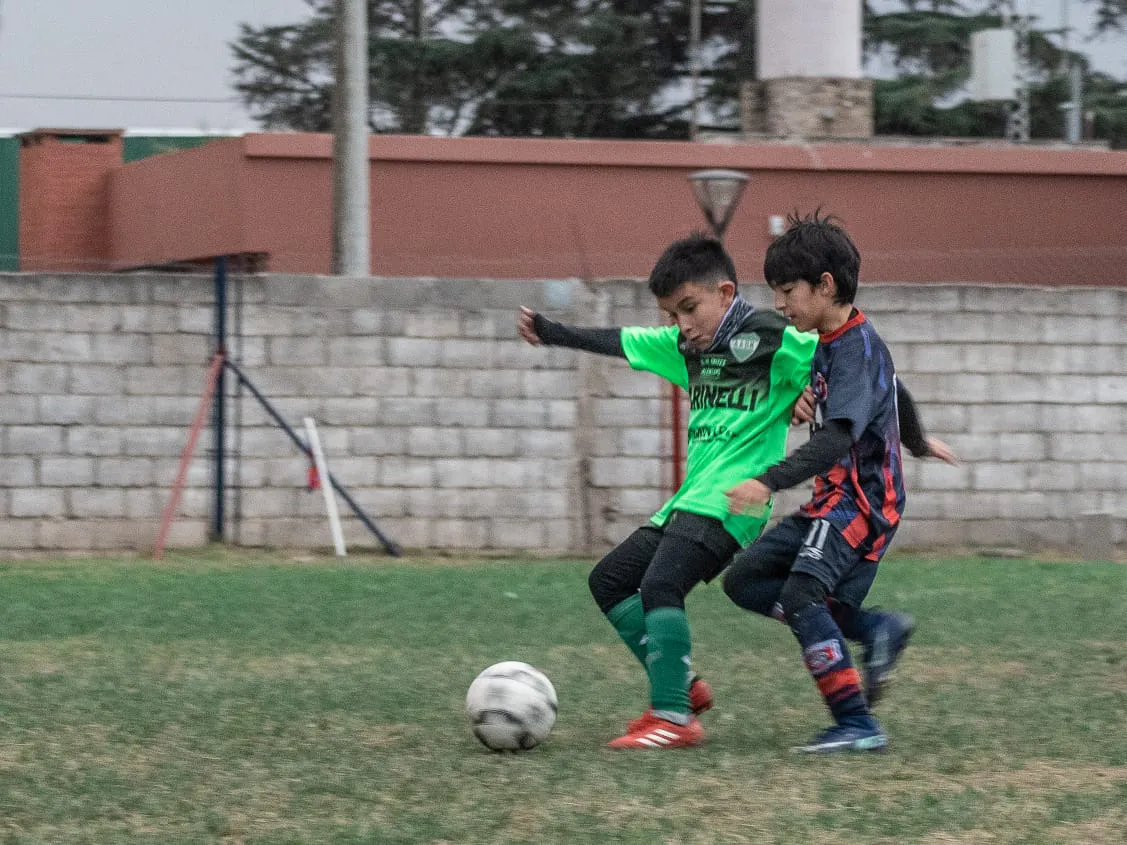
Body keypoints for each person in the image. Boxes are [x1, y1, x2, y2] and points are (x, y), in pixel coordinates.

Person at [519, 232, 817, 749]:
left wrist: (811, 392)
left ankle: (674, 719)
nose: (680, 325)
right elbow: (620, 340)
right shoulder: (687, 347)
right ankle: (681, 686)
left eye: (688, 308)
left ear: (725, 294)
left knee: (660, 586)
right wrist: (551, 332)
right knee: (610, 581)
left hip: (733, 503)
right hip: (689, 500)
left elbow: (840, 359)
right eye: (670, 314)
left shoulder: (772, 335)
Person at [723, 210, 955, 754]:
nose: (779, 305)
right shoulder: (832, 339)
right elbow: (893, 391)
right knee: (746, 579)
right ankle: (874, 629)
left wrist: (768, 480)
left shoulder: (854, 346)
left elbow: (837, 440)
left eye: (787, 292)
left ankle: (856, 722)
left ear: (825, 286)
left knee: (803, 593)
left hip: (862, 503)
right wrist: (916, 441)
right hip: (834, 499)